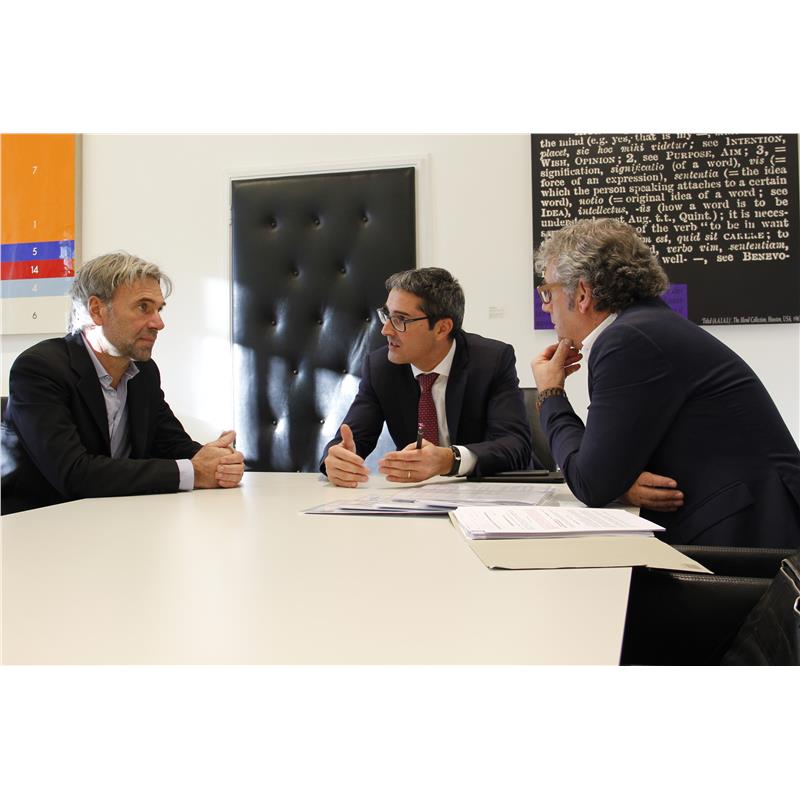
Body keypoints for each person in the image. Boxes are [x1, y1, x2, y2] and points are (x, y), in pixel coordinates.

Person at [531, 218, 800, 547]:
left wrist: (551, 392)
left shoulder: (629, 341)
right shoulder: (645, 326)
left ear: (583, 294)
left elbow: (590, 482)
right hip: (743, 522)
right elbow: (604, 469)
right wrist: (616, 481)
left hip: (752, 536)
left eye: (548, 292)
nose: (546, 306)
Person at [1, 252, 244, 514]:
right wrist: (194, 471)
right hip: (38, 523)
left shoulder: (144, 372)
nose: (159, 323)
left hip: (114, 519)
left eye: (159, 309)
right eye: (143, 307)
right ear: (97, 310)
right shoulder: (40, 369)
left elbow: (172, 445)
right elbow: (73, 473)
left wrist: (217, 460)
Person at [321, 268, 533, 486]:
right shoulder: (380, 368)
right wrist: (336, 459)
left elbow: (516, 445)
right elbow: (350, 439)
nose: (386, 330)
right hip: (418, 495)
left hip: (493, 491)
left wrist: (449, 460)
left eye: (400, 319)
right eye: (387, 315)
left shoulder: (491, 361)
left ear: (442, 328)